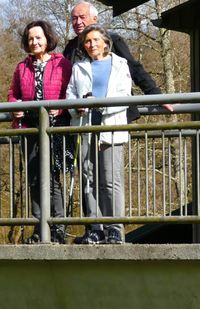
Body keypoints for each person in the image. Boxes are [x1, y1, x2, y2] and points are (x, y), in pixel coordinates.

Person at [8, 20, 73, 244]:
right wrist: (14, 107)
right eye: (30, 38)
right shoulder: (22, 67)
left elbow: (70, 92)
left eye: (38, 37)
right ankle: (39, 228)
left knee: (52, 178)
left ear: (47, 39)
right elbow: (13, 93)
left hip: (54, 128)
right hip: (30, 128)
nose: (34, 42)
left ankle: (58, 227)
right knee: (34, 179)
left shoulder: (62, 63)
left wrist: (61, 107)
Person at [66, 24, 132, 244]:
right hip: (85, 127)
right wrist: (78, 106)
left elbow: (124, 95)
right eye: (87, 41)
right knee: (89, 179)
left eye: (96, 40)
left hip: (111, 127)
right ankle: (96, 229)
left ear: (105, 42)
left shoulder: (120, 64)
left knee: (111, 180)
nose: (91, 44)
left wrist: (99, 105)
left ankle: (115, 228)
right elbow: (70, 95)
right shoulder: (79, 67)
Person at [62, 1, 172, 121]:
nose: (78, 22)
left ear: (94, 18)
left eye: (82, 17)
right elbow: (67, 83)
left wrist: (156, 96)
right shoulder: (70, 48)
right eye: (74, 18)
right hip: (83, 119)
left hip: (115, 115)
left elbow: (134, 69)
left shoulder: (112, 40)